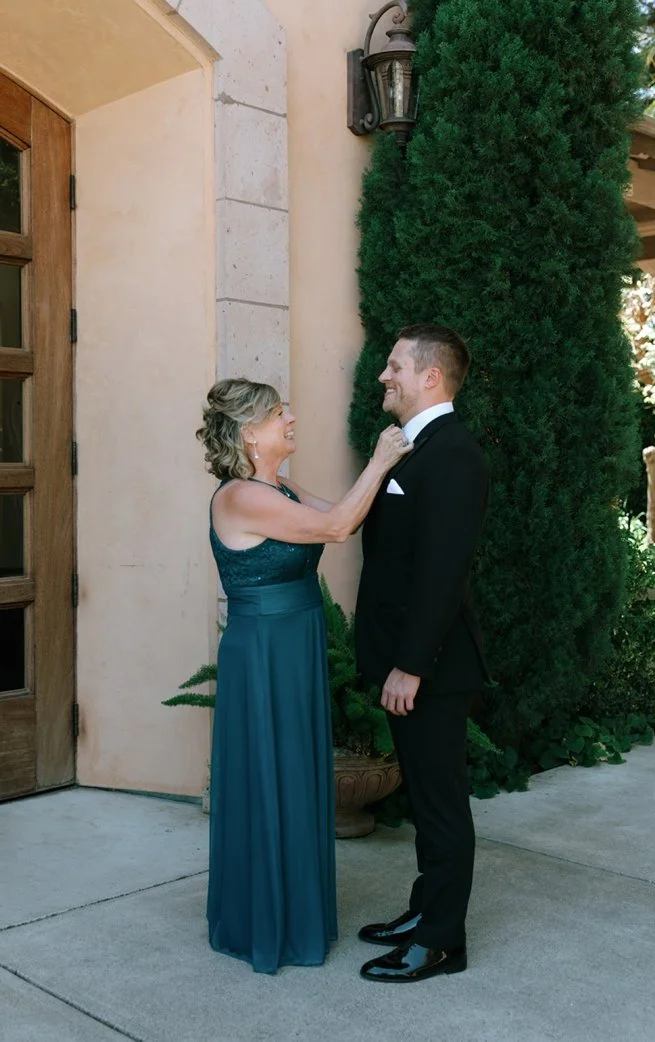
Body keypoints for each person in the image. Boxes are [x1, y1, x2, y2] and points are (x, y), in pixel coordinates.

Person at [197, 378, 409, 974]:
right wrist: (381, 459)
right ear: (248, 432)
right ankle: (265, 921)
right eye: (277, 413)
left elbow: (350, 514)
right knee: (269, 772)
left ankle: (292, 910)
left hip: (296, 643)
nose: (291, 418)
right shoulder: (240, 497)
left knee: (294, 771)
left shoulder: (278, 486)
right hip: (262, 650)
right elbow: (338, 527)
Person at [355, 324, 492, 982]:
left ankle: (440, 941)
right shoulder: (414, 446)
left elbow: (443, 571)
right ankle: (423, 910)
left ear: (430, 377)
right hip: (407, 663)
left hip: (431, 669)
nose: (385, 376)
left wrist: (411, 664)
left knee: (441, 805)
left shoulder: (453, 454)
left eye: (395, 366)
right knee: (426, 801)